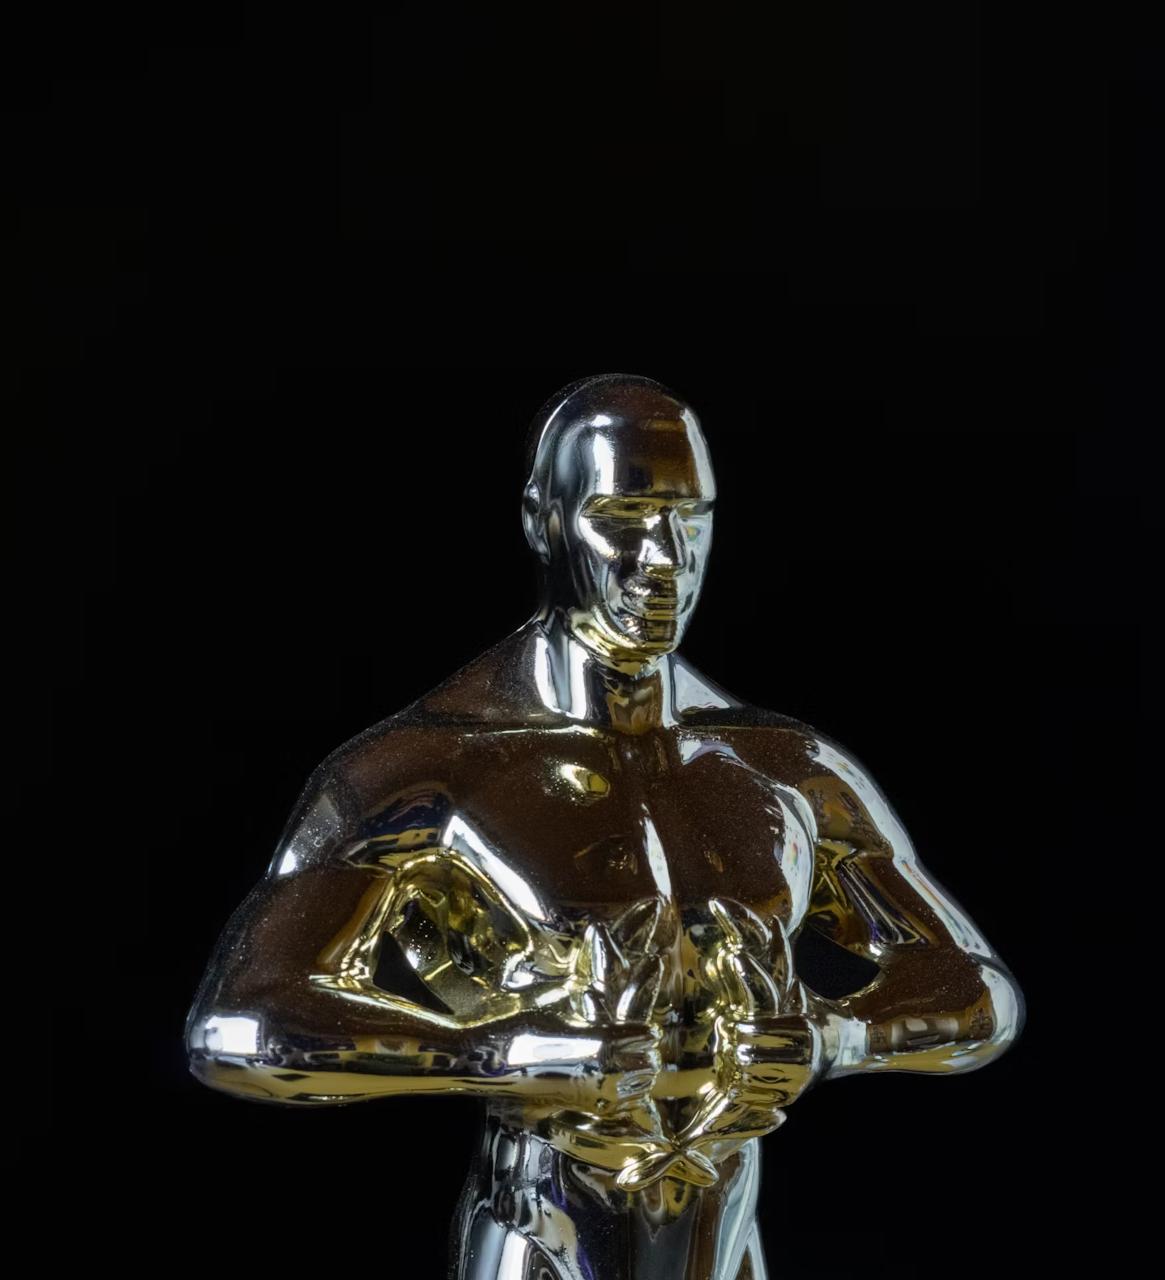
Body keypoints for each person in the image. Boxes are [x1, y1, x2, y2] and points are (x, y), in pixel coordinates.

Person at [185, 373, 1024, 1280]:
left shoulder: (785, 768)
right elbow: (240, 1025)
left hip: (725, 1244)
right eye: (622, 517)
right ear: (545, 521)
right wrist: (506, 1056)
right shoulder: (429, 770)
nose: (663, 557)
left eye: (687, 517)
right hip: (542, 1239)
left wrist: (835, 1037)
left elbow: (980, 994)